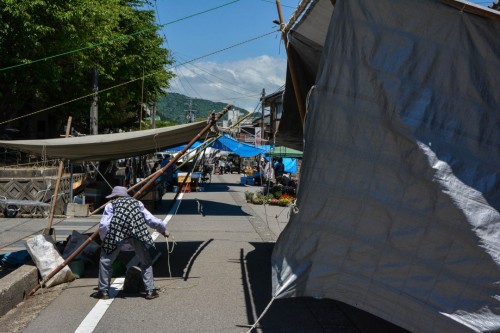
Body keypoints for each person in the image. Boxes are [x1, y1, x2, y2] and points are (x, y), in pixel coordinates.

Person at [92, 186, 169, 300]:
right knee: (145, 261)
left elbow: (104, 225)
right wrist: (163, 230)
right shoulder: (137, 203)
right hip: (136, 234)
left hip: (116, 234)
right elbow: (151, 220)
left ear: (115, 196)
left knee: (105, 261)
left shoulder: (111, 205)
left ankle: (103, 291)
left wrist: (105, 239)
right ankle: (150, 291)